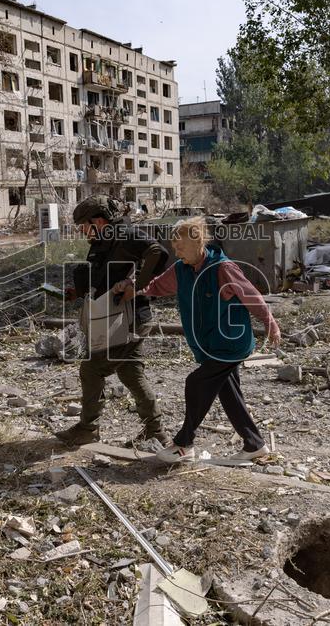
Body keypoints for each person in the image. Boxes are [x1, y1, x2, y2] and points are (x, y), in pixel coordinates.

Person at [114, 216, 281, 464]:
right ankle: (254, 444)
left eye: (180, 245)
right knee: (229, 393)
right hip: (209, 346)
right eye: (174, 246)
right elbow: (156, 286)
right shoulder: (181, 269)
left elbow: (251, 296)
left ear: (198, 241)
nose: (176, 250)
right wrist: (133, 287)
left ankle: (184, 444)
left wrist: (270, 324)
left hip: (230, 344)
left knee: (196, 383)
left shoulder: (222, 268)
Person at [54, 194, 169, 447]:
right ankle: (156, 431)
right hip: (117, 317)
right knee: (130, 372)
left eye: (84, 225)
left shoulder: (125, 234)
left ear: (98, 220)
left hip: (128, 319)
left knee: (92, 368)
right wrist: (78, 292)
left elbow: (157, 252)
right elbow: (103, 275)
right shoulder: (102, 240)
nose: (82, 232)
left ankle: (88, 429)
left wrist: (136, 283)